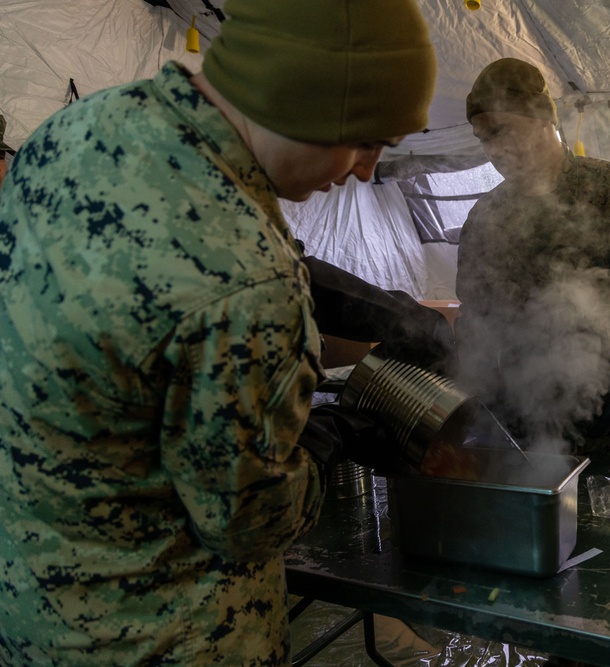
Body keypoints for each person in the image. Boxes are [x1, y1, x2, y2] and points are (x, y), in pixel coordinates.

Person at [0, 0, 436, 665]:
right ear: (302, 103)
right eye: (366, 139)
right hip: (166, 637)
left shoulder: (79, 132)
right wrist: (327, 440)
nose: (365, 170)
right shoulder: (250, 283)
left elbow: (164, 275)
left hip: (33, 611)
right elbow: (250, 521)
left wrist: (383, 310)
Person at [455, 57, 610, 470]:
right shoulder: (485, 218)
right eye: (482, 138)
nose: (494, 149)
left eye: (502, 130)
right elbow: (475, 318)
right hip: (519, 437)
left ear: (544, 119)